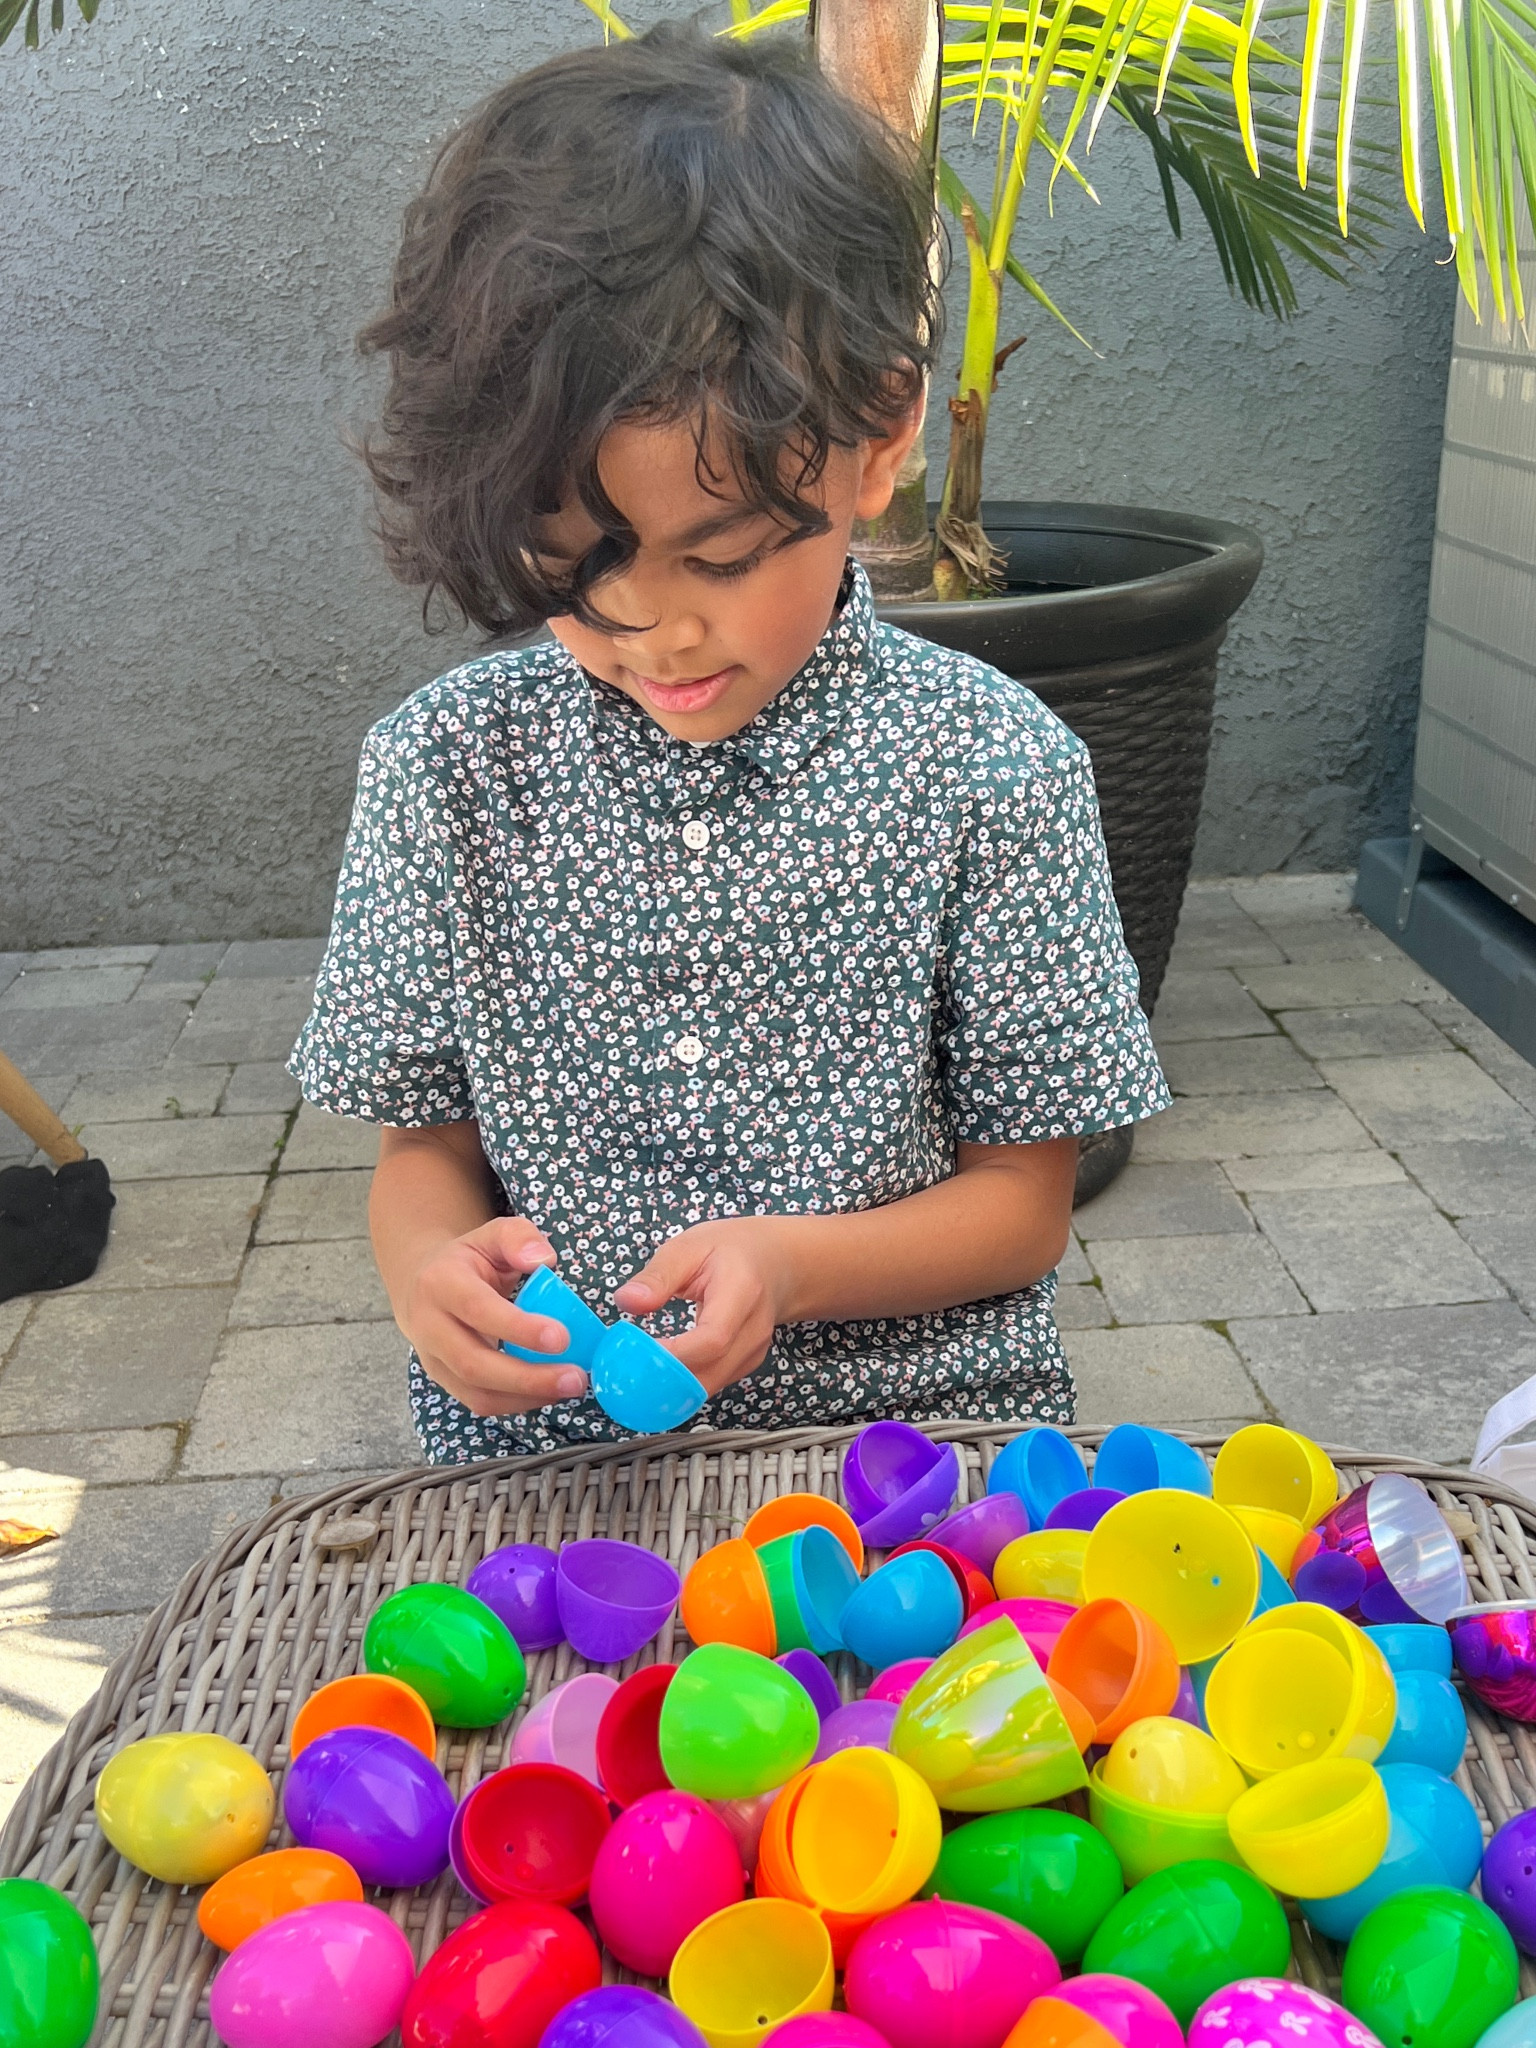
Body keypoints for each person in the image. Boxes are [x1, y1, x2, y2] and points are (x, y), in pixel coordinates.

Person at [289, 24, 1169, 1465]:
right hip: (561, 1463)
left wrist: (795, 1266)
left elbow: (1026, 1201)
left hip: (911, 1458)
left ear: (878, 440)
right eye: (570, 567)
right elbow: (423, 1155)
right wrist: (424, 1270)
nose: (652, 632)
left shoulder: (992, 772)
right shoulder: (445, 772)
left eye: (722, 555)